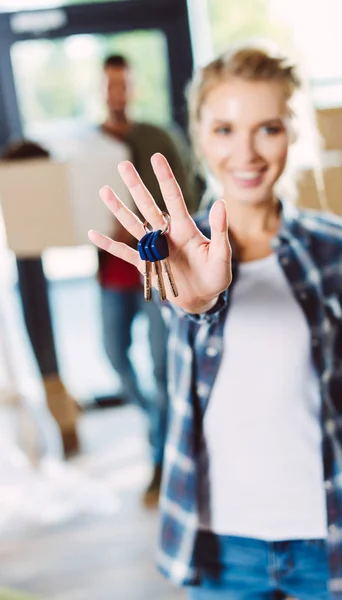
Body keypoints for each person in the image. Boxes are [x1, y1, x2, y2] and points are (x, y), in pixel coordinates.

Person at [89, 43, 342, 599]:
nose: (247, 153)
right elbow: (191, 328)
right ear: (200, 135)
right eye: (225, 129)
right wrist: (200, 303)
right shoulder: (179, 258)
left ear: (294, 134)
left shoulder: (337, 249)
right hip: (222, 549)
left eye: (269, 128)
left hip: (341, 540)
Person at [98, 54, 196, 507]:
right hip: (111, 274)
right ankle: (157, 420)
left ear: (132, 88)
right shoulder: (90, 145)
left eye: (123, 85)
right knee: (116, 359)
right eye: (109, 86)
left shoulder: (157, 138)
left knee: (161, 367)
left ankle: (162, 460)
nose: (116, 94)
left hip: (156, 274)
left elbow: (188, 202)